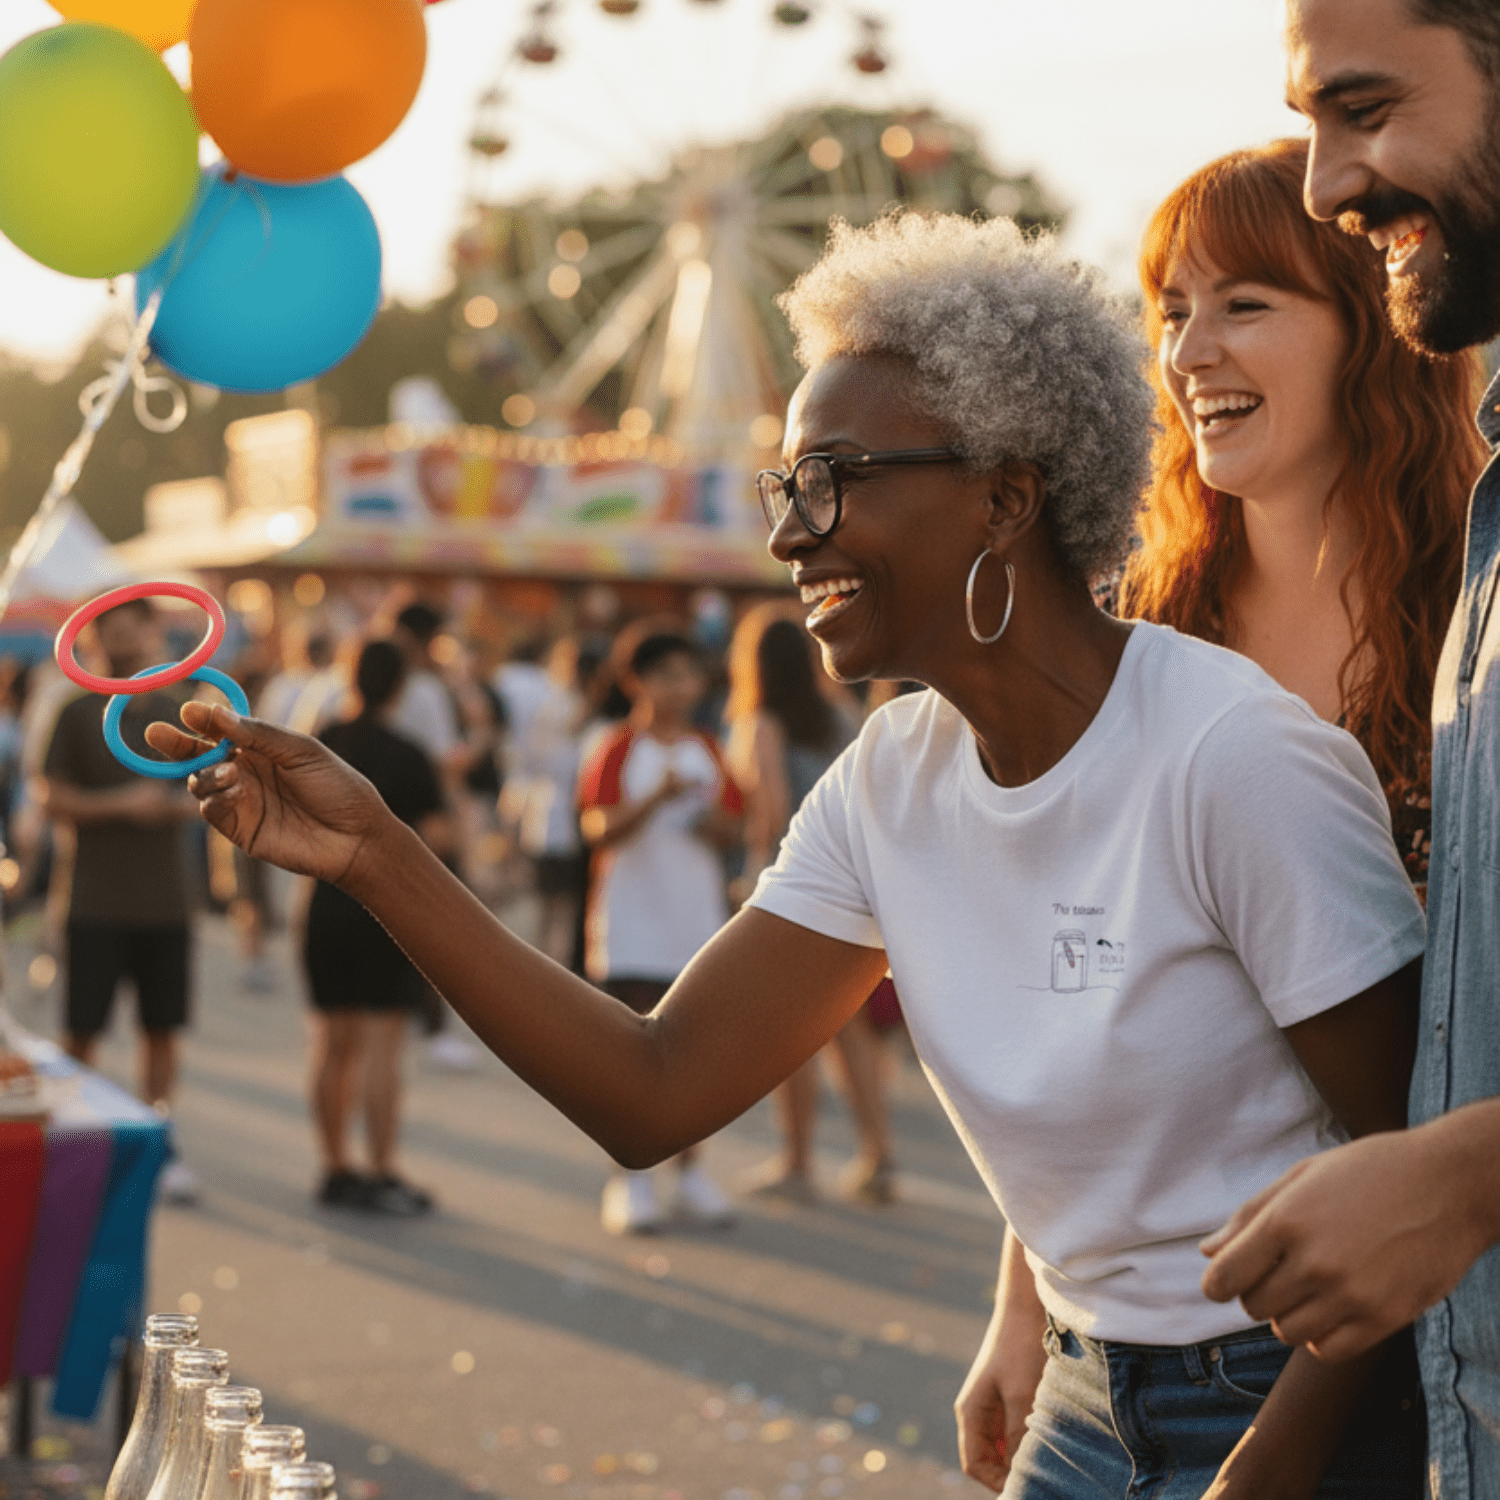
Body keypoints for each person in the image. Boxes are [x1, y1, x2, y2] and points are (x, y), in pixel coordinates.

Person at [156, 212, 1426, 1497]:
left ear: (1005, 494)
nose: (788, 534)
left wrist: (1268, 1472)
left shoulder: (1233, 759)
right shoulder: (890, 781)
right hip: (1085, 1392)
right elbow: (654, 1091)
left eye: (832, 478)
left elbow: (1410, 1180)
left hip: (1294, 1387)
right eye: (784, 487)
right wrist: (377, 853)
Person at [1183, 5, 1500, 1495]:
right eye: (1166, 308)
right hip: (1186, 1320)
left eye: (1241, 302)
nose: (1328, 181)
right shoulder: (1149, 630)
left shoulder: (1460, 587)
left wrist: (1464, 1171)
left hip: (1410, 1329)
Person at [1121, 136, 1485, 903]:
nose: (1187, 353)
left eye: (1243, 306)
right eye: (1173, 313)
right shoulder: (1128, 623)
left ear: (1375, 329)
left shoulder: (1485, 598)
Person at [724, 603, 895, 1205]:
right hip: (853, 886)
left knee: (787, 1033)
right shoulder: (840, 715)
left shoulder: (762, 724)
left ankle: (797, 1160)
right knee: (851, 1033)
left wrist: (744, 874)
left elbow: (767, 813)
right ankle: (878, 1153)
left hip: (792, 890)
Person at [576, 623, 741, 1235]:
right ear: (638, 681)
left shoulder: (708, 748)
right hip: (630, 923)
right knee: (630, 1055)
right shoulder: (616, 747)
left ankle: (692, 1171)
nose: (682, 687)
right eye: (667, 674)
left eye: (689, 674)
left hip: (695, 921)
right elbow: (596, 828)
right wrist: (655, 801)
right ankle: (632, 1177)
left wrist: (705, 820)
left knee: (694, 1054)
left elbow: (732, 826)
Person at [41, 598, 201, 1202]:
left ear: (154, 632)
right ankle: (74, 1141)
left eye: (134, 629)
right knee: (82, 1032)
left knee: (161, 1031)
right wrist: (122, 805)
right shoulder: (76, 713)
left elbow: (209, 793)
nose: (123, 642)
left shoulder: (177, 711)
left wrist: (172, 808)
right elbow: (50, 796)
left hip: (165, 903)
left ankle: (157, 1138)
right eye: (110, 632)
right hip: (92, 903)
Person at [302, 639, 452, 1215]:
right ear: (399, 687)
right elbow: (439, 838)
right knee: (384, 1046)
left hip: (325, 903)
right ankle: (382, 1167)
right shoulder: (411, 753)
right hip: (388, 906)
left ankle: (335, 1166)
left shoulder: (320, 746)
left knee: (331, 1042)